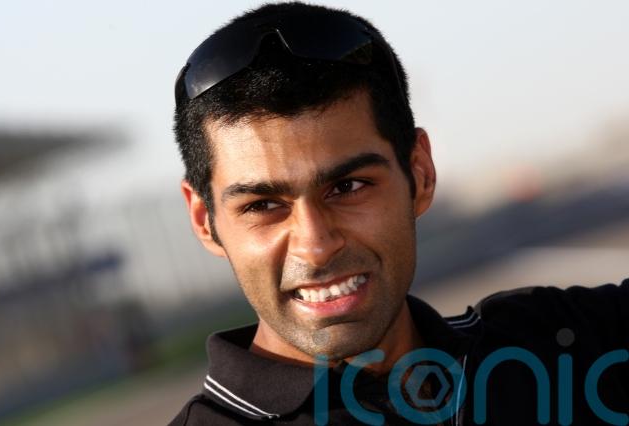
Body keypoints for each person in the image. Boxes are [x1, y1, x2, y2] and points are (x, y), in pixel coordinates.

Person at [169, 3, 629, 425]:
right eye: (263, 205)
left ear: (420, 174)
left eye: (348, 187)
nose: (316, 245)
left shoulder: (570, 345)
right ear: (204, 220)